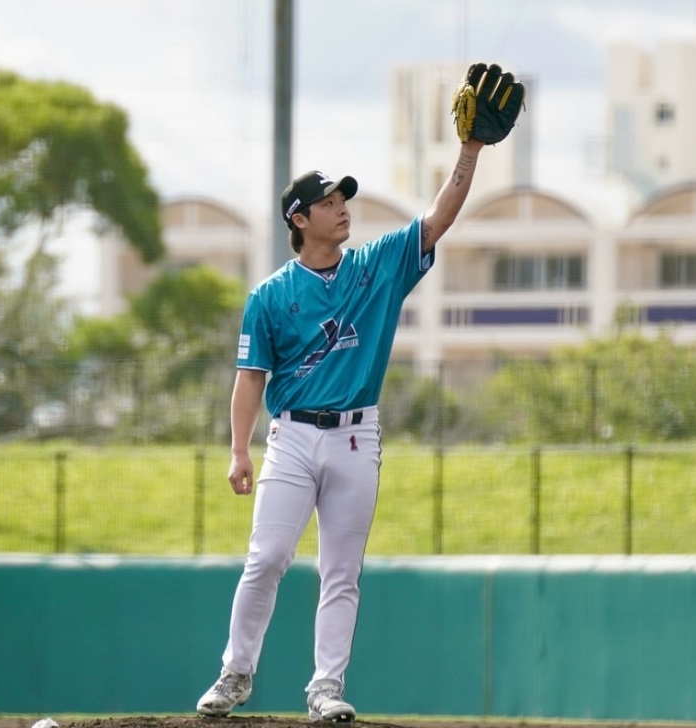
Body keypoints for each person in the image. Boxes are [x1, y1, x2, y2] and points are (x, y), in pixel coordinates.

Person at [195, 63, 523, 723]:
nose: (342, 208)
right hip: (291, 437)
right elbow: (249, 378)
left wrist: (469, 151)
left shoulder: (374, 268)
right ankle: (235, 673)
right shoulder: (270, 296)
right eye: (329, 202)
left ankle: (325, 690)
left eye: (344, 199)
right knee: (267, 559)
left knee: (340, 572)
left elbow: (436, 221)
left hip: (355, 434)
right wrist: (237, 450)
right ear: (299, 218)